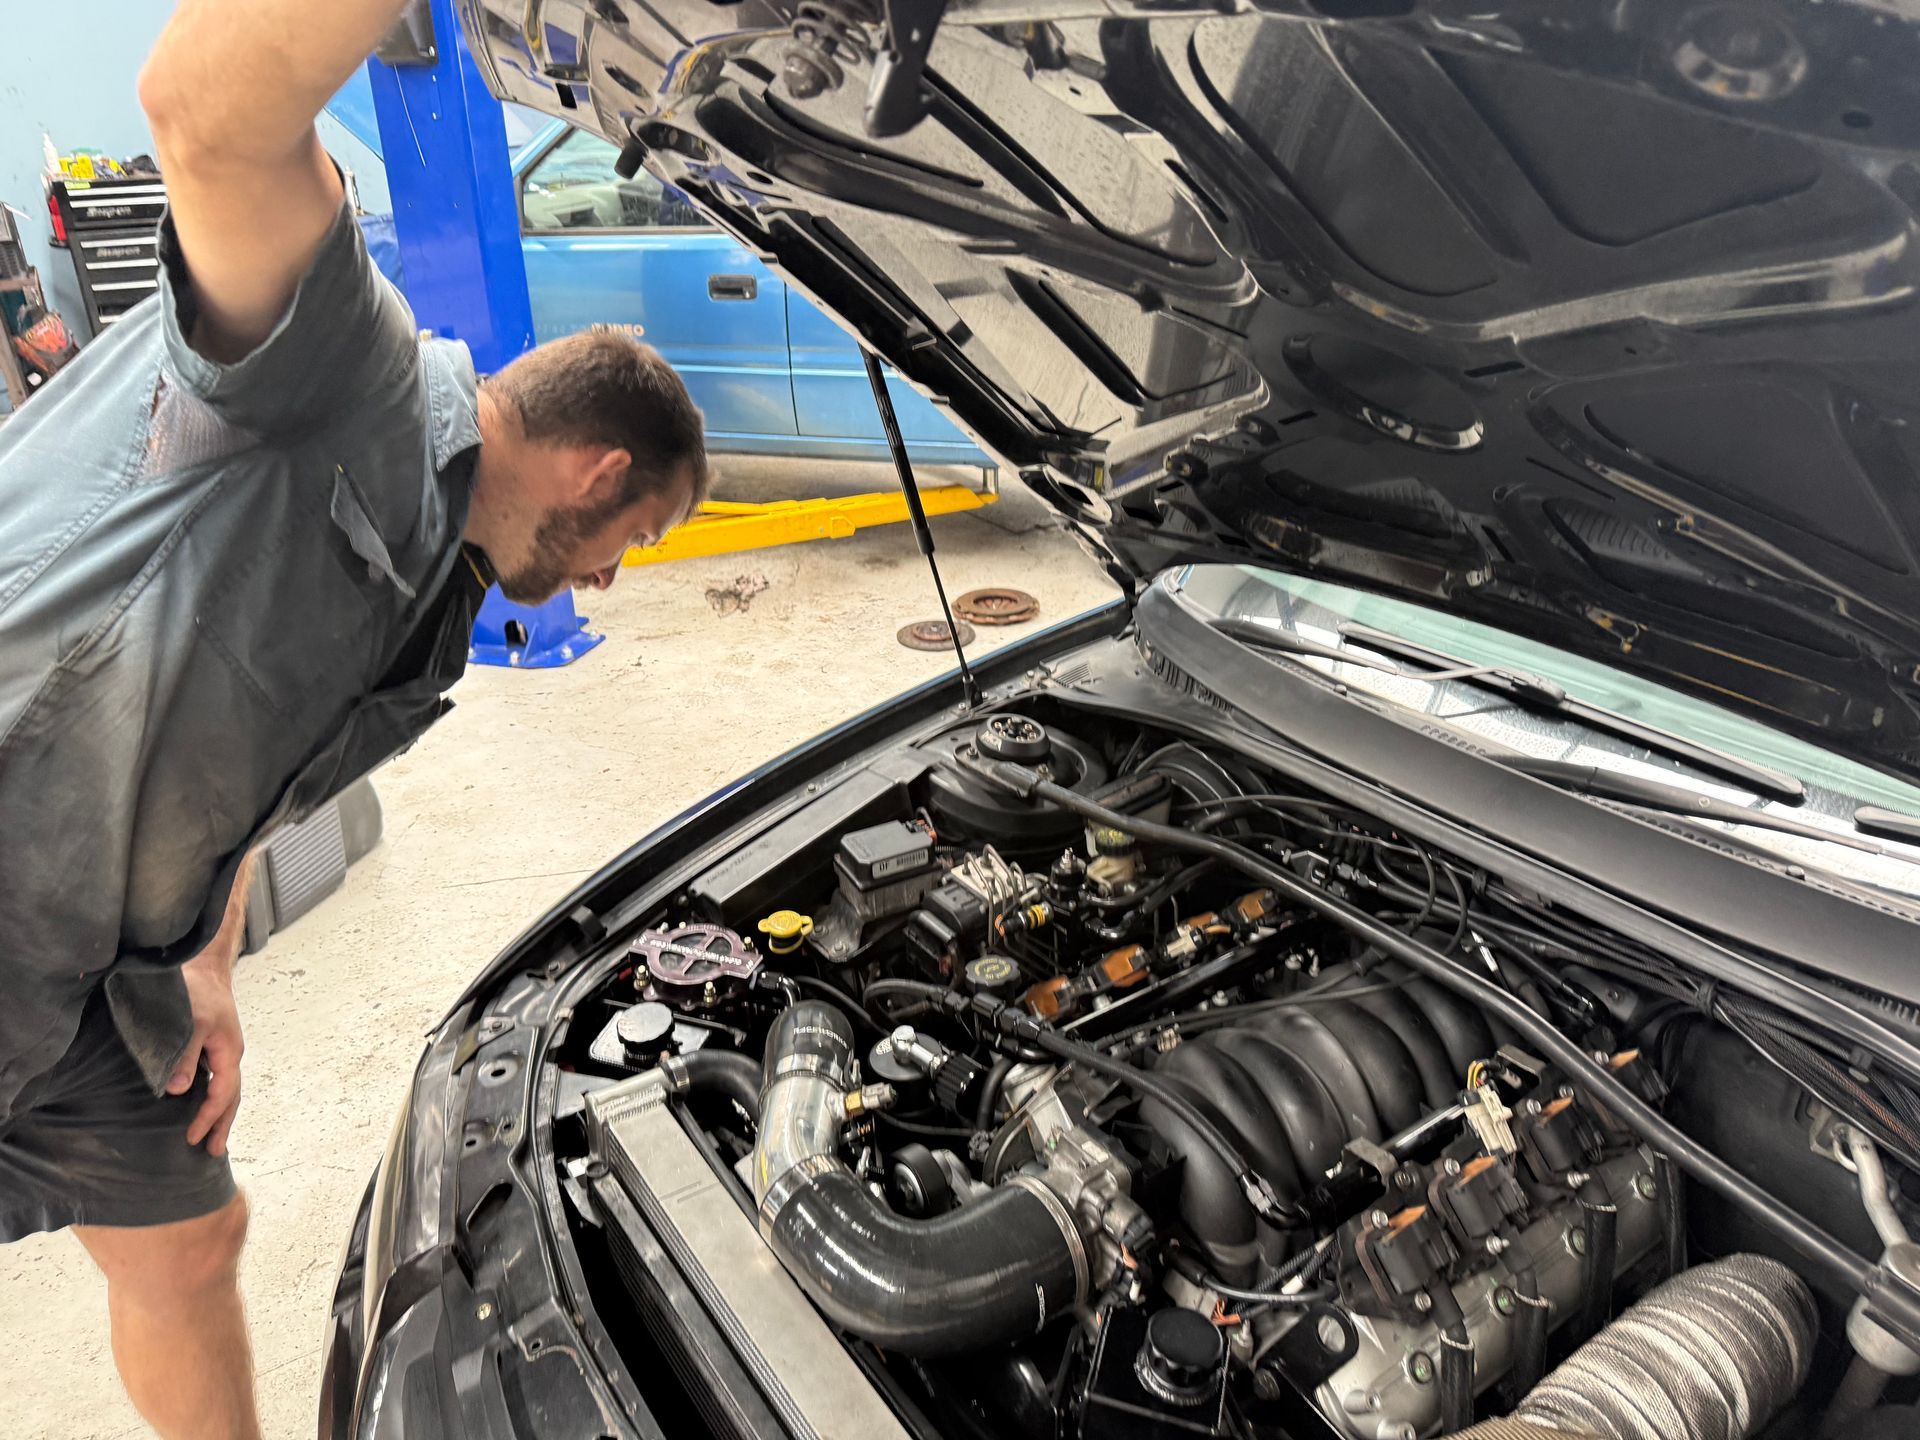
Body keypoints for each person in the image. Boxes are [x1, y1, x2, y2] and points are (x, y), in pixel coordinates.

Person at [0, 2, 708, 1435]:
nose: (613, 572)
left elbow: (255, 757)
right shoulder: (343, 366)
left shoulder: (435, 601)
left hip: (89, 969)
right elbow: (201, 107)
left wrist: (208, 958)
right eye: (632, 532)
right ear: (598, 470)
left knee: (190, 1241)